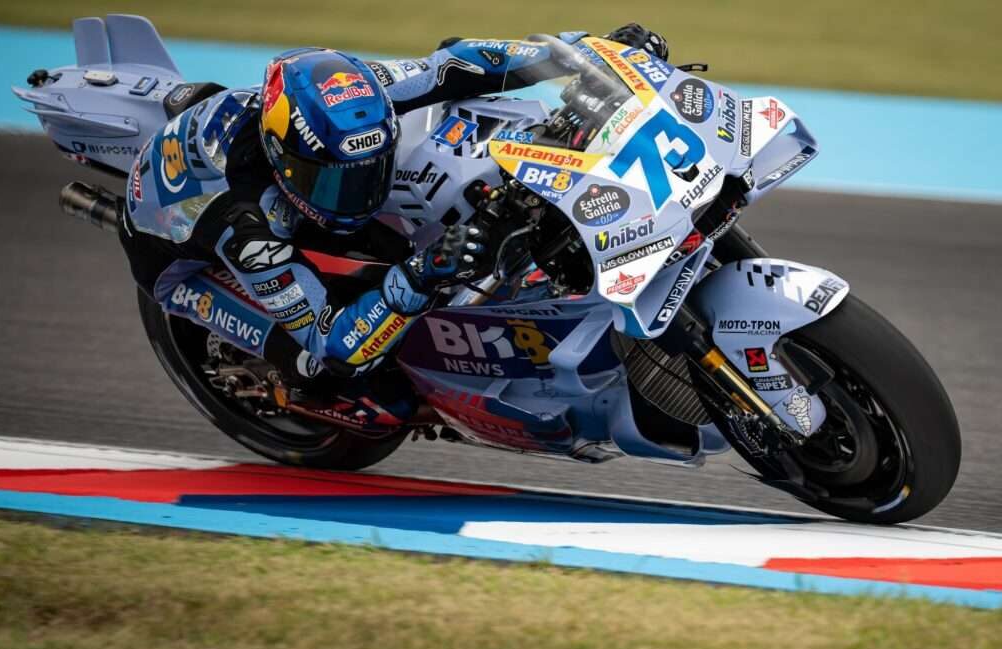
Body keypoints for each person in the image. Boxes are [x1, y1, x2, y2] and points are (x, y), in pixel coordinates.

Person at [120, 24, 668, 426]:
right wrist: (423, 272)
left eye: (369, 172)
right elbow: (334, 342)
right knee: (336, 374)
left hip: (272, 187)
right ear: (283, 160)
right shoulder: (246, 228)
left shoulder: (363, 91)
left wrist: (587, 54)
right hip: (182, 264)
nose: (359, 193)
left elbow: (459, 63)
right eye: (335, 182)